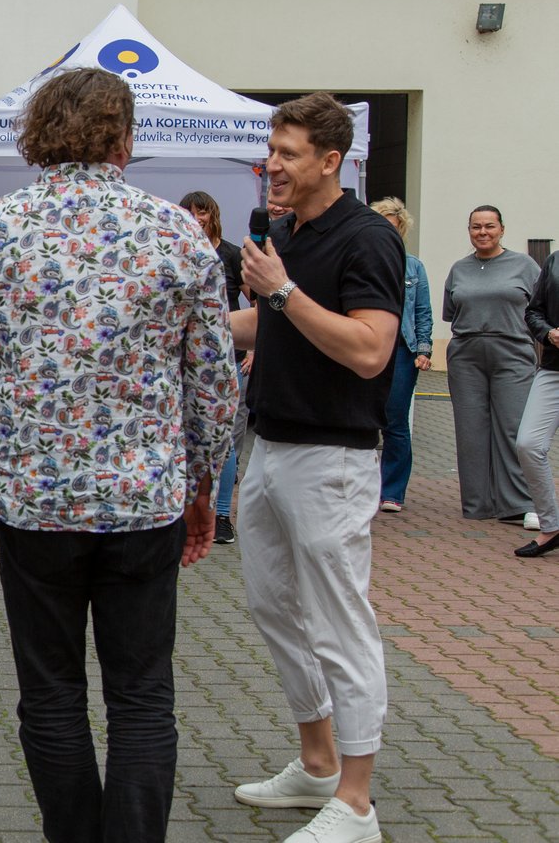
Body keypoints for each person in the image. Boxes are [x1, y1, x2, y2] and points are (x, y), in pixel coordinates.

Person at [0, 68, 236, 843]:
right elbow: (212, 384)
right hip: (144, 501)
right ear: (124, 138)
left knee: (52, 693)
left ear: (38, 134)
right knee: (142, 696)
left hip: (36, 504)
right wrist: (203, 485)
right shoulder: (177, 233)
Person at [228, 92, 403, 843]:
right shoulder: (285, 233)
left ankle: (356, 804)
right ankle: (318, 763)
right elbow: (270, 323)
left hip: (332, 458)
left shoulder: (368, 239)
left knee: (339, 624)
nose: (271, 164)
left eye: (288, 153)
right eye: (271, 149)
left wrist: (282, 291)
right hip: (268, 447)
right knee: (274, 607)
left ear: (331, 161)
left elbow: (369, 350)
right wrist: (195, 322)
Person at [442, 205, 540, 524]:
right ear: (469, 231)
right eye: (476, 227)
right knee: (470, 432)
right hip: (466, 355)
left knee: (513, 428)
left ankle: (517, 505)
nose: (482, 232)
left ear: (502, 229)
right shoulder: (459, 269)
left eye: (489, 226)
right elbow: (451, 312)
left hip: (512, 352)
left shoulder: (524, 265)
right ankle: (478, 505)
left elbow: (540, 308)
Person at [179, 190, 248, 545]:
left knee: (224, 439)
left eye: (202, 211)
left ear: (213, 215)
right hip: (184, 359)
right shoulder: (177, 251)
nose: (197, 217)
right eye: (190, 212)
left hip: (226, 356)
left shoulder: (231, 254)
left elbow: (259, 302)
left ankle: (222, 515)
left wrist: (254, 349)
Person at [369, 198, 433, 513]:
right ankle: (364, 487)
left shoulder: (414, 267)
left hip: (402, 352)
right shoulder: (358, 259)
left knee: (395, 422)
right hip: (365, 346)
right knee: (363, 419)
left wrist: (424, 349)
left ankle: (392, 492)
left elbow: (422, 311)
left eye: (393, 228)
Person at [515, 246, 559, 558]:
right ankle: (552, 526)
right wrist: (549, 333)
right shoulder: (555, 262)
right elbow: (533, 312)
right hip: (554, 369)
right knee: (528, 444)